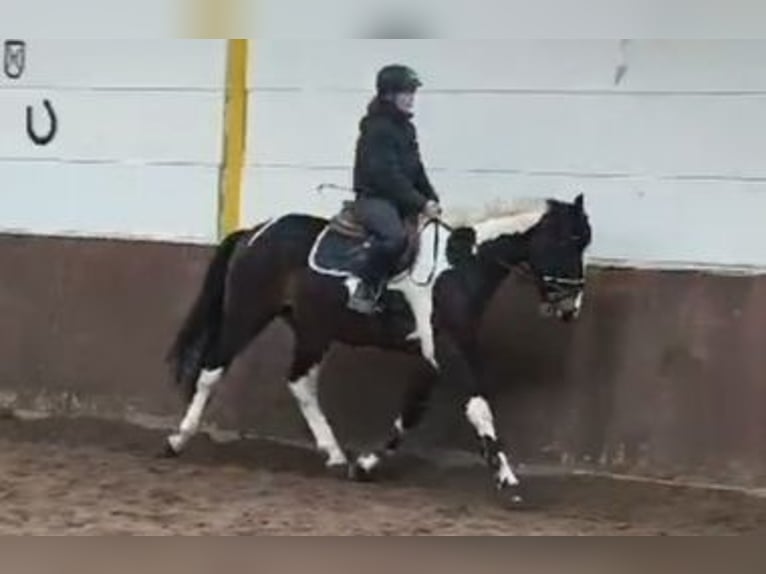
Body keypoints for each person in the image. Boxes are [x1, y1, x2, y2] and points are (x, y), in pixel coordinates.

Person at [348, 64, 442, 314]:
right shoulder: (377, 128)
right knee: (394, 238)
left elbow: (416, 168)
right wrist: (420, 203)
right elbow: (386, 176)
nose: (412, 98)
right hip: (374, 198)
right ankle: (366, 290)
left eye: (413, 92)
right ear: (388, 95)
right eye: (406, 92)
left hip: (398, 199)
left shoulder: (406, 128)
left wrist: (431, 196)